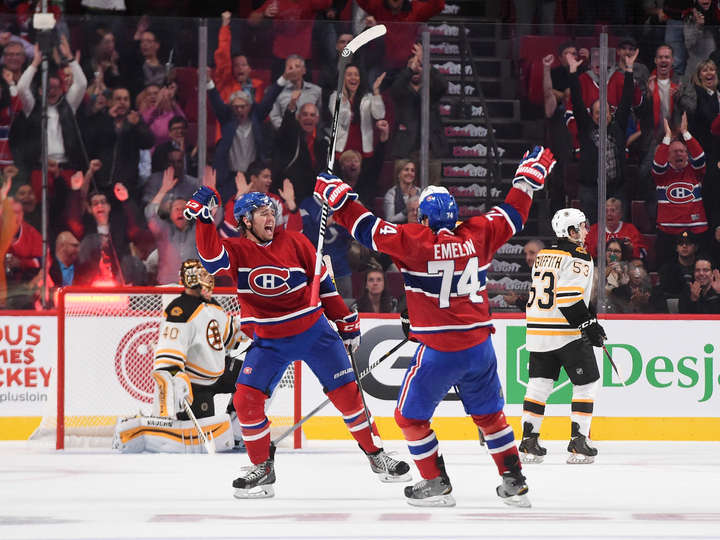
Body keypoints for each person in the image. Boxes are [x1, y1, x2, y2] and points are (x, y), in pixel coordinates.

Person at [314, 145, 558, 507]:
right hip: (479, 347)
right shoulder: (478, 233)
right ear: (455, 216)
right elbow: (513, 214)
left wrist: (337, 196)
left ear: (424, 219)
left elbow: (367, 228)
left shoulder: (412, 240)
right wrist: (526, 182)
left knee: (409, 417)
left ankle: (435, 483)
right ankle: (514, 480)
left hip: (441, 351)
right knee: (490, 417)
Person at [186, 187, 411, 498]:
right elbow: (211, 261)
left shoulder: (295, 241)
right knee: (245, 402)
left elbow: (326, 286)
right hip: (269, 340)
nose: (270, 216)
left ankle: (377, 456)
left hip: (315, 333)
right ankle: (262, 469)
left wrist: (344, 321)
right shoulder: (237, 249)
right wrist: (204, 219)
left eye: (271, 211)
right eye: (261, 212)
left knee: (349, 398)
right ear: (245, 221)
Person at [113, 259, 250, 453]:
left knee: (256, 378)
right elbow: (167, 359)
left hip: (217, 375)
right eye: (205, 276)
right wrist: (176, 378)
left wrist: (252, 328)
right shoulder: (180, 311)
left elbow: (229, 335)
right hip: (196, 386)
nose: (210, 281)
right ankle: (136, 429)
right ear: (194, 280)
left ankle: (236, 434)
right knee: (194, 432)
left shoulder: (213, 306)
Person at [520, 208, 606, 465]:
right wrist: (589, 324)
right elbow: (569, 299)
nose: (586, 230)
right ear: (570, 232)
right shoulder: (578, 256)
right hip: (565, 331)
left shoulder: (543, 254)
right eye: (581, 226)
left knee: (539, 383)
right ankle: (579, 442)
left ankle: (528, 442)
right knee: (587, 383)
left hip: (537, 329)